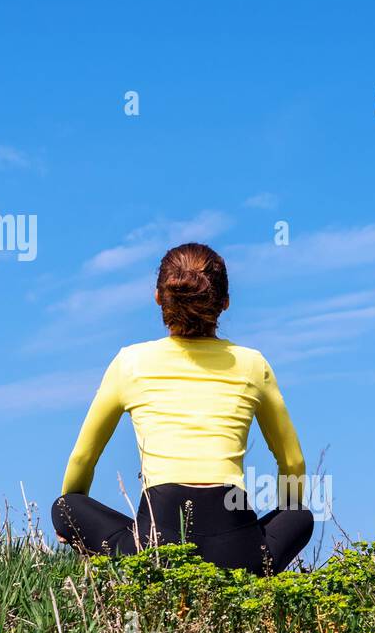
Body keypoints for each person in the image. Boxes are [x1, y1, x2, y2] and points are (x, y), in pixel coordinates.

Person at [50, 242, 314, 572]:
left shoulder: (129, 363)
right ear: (225, 303)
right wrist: (282, 515)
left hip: (156, 552)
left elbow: (82, 458)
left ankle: (131, 573)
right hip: (239, 555)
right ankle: (252, 571)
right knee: (299, 515)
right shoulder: (252, 364)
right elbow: (293, 461)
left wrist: (70, 517)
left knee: (66, 507)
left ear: (159, 297)